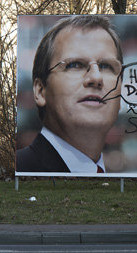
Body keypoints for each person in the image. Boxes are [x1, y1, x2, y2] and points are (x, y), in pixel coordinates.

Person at [16, 15, 123, 173]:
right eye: (75, 65)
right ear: (40, 91)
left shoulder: (120, 181)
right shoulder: (19, 168)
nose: (96, 77)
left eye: (106, 66)